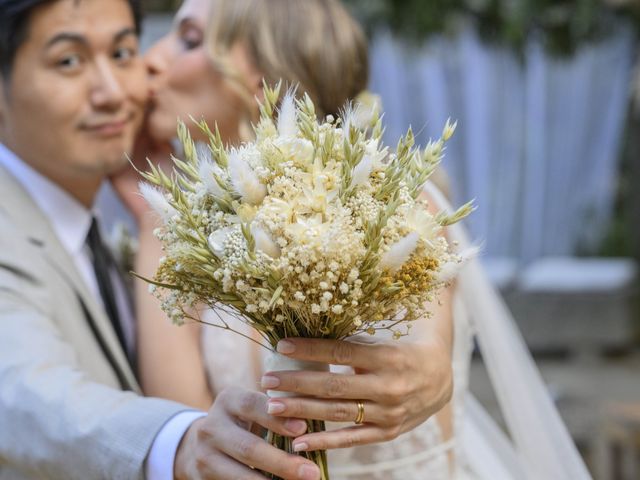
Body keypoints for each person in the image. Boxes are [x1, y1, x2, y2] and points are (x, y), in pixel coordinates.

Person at [131, 0, 594, 479]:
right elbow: (186, 426)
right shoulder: (202, 229)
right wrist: (155, 218)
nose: (150, 59)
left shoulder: (394, 202)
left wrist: (429, 369)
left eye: (186, 38)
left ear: (258, 76)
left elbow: (426, 337)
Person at [0, 1, 324, 479]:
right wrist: (177, 442)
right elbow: (23, 391)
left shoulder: (109, 232)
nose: (112, 93)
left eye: (123, 52)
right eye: (68, 61)